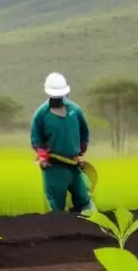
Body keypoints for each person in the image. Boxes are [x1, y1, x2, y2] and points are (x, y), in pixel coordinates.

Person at [31, 72, 94, 214]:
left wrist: (81, 153)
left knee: (83, 200)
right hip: (54, 166)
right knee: (56, 207)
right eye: (55, 97)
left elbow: (84, 132)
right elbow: (37, 139)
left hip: (74, 164)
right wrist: (42, 157)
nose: (58, 99)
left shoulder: (75, 110)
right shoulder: (41, 114)